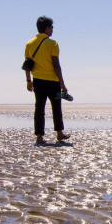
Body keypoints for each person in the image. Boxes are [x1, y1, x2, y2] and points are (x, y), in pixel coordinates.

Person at [24, 16, 70, 145]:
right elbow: (56, 65)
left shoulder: (29, 43)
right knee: (56, 108)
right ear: (47, 28)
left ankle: (39, 137)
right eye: (51, 27)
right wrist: (62, 83)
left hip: (37, 80)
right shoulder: (52, 43)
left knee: (39, 108)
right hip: (52, 81)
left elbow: (27, 64)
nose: (52, 30)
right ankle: (59, 133)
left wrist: (28, 81)